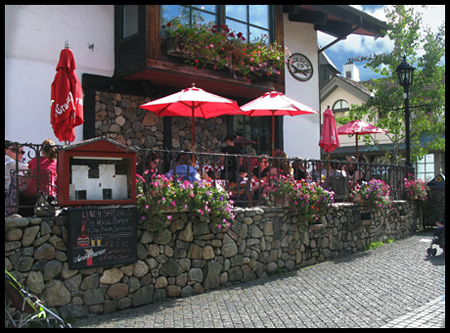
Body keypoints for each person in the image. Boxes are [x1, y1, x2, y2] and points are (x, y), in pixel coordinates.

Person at [20, 139, 58, 216]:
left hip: (30, 195)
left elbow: (28, 174)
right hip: (47, 197)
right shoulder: (56, 163)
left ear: (42, 150)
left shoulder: (34, 161)